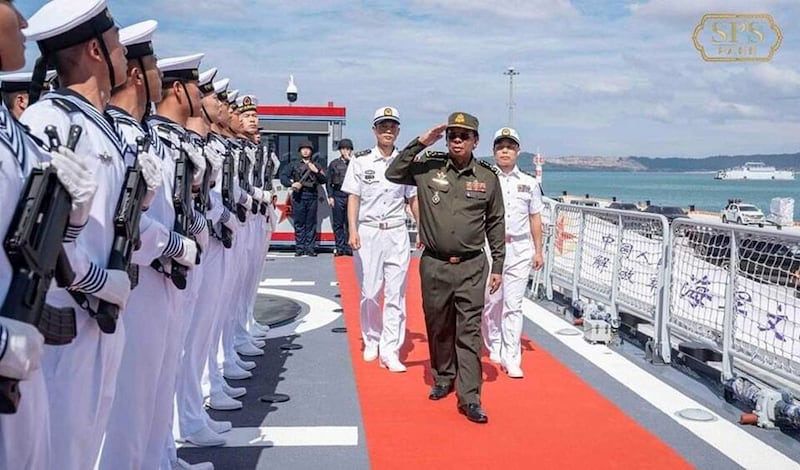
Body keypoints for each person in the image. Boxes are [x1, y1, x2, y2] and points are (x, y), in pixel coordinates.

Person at [21, 0, 136, 467]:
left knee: (88, 444)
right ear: (95, 50)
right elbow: (32, 234)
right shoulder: (50, 123)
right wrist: (95, 280)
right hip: (64, 319)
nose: (125, 55)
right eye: (117, 44)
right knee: (61, 451)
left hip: (103, 314)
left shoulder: (98, 125)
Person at [0, 2, 98, 467]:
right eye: (9, 5)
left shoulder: (16, 134)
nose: (23, 22)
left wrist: (72, 215)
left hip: (23, 346)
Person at [385, 112, 505, 424]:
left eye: (464, 135)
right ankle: (442, 377)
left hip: (472, 267)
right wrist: (422, 141)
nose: (457, 140)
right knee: (438, 325)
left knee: (468, 332)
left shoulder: (488, 177)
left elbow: (495, 222)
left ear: (475, 141)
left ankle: (470, 397)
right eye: (452, 134)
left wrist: (498, 266)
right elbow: (393, 172)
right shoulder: (428, 167)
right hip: (435, 265)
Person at [342, 106, 417, 372]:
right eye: (382, 126)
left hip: (397, 232)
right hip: (369, 231)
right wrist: (352, 230)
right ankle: (371, 338)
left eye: (392, 126)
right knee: (370, 292)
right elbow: (354, 197)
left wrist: (423, 228)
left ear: (398, 130)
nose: (388, 131)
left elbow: (412, 199)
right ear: (374, 130)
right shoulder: (361, 161)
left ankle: (390, 349)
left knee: (396, 294)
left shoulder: (405, 162)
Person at [482, 127, 543, 379]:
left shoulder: (529, 183)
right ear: (494, 151)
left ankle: (511, 356)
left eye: (510, 146)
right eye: (500, 146)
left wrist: (538, 250)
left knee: (514, 304)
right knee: (492, 302)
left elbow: (535, 217)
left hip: (519, 248)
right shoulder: (484, 178)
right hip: (489, 247)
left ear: (518, 151)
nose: (505, 150)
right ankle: (494, 342)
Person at [280, 140, 327, 256]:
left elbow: (324, 180)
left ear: (311, 151)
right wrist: (292, 184)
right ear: (300, 151)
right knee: (299, 222)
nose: (305, 151)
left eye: (308, 149)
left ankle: (310, 248)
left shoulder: (316, 165)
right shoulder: (293, 164)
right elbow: (283, 176)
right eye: (303, 149)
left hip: (312, 195)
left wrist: (316, 171)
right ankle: (300, 248)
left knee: (311, 223)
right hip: (299, 195)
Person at [327, 138, 353, 256]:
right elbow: (329, 181)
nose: (345, 151)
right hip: (338, 194)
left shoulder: (355, 163)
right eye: (343, 149)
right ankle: (340, 247)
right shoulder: (334, 164)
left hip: (351, 195)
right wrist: (330, 196)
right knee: (338, 223)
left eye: (348, 149)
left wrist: (351, 161)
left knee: (350, 222)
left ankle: (349, 247)